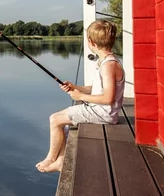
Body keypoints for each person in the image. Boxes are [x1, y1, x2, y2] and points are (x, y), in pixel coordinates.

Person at [35, 19, 125, 173]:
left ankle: (52, 158)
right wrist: (76, 88)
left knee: (55, 119)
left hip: (104, 114)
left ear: (91, 43)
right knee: (60, 118)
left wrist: (80, 97)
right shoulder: (106, 62)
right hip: (100, 110)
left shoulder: (109, 66)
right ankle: (60, 161)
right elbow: (96, 90)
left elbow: (108, 98)